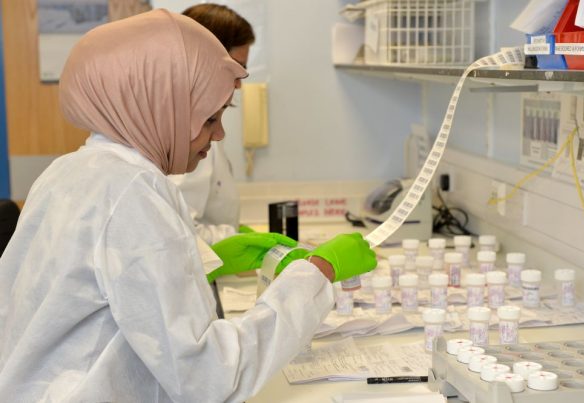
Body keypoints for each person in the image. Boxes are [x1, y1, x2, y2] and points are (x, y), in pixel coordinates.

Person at [0, 9, 376, 402]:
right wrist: (315, 275)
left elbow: (111, 285)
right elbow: (210, 376)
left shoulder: (73, 170)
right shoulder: (132, 190)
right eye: (209, 118)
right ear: (160, 106)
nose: (219, 134)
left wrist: (202, 258)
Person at [168, 3, 256, 245]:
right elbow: (178, 233)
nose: (240, 83)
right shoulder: (186, 135)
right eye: (237, 67)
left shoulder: (202, 128)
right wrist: (235, 240)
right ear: (205, 60)